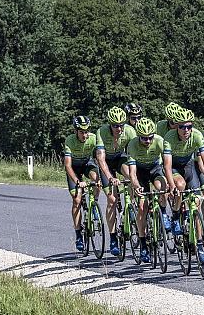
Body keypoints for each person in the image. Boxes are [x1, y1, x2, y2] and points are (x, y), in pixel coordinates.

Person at [162, 108, 204, 265]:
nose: (186, 130)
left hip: (188, 165)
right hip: (174, 168)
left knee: (196, 203)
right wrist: (171, 185)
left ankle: (199, 245)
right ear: (176, 126)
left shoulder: (197, 136)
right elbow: (167, 165)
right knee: (180, 185)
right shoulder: (169, 137)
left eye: (189, 126)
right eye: (182, 127)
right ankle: (176, 215)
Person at [126, 117, 169, 263]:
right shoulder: (132, 145)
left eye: (150, 137)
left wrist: (169, 182)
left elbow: (168, 164)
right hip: (140, 172)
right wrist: (136, 186)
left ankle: (163, 213)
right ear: (138, 136)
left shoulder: (159, 140)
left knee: (162, 188)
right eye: (144, 138)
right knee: (142, 206)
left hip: (155, 168)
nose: (148, 141)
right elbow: (132, 173)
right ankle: (143, 243)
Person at [95, 106, 136, 257]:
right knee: (112, 200)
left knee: (130, 174)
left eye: (121, 125)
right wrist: (111, 177)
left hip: (120, 159)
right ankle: (113, 238)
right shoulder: (102, 132)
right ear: (110, 125)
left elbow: (134, 154)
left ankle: (132, 203)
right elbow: (100, 158)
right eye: (115, 125)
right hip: (106, 164)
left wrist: (133, 178)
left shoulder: (130, 132)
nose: (119, 128)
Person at [63, 115, 108, 252]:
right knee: (77, 200)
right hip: (74, 169)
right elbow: (68, 166)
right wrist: (77, 181)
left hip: (87, 164)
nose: (85, 134)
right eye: (82, 132)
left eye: (87, 131)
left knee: (96, 180)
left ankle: (94, 204)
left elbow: (100, 156)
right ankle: (78, 235)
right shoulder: (70, 141)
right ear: (76, 131)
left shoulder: (93, 138)